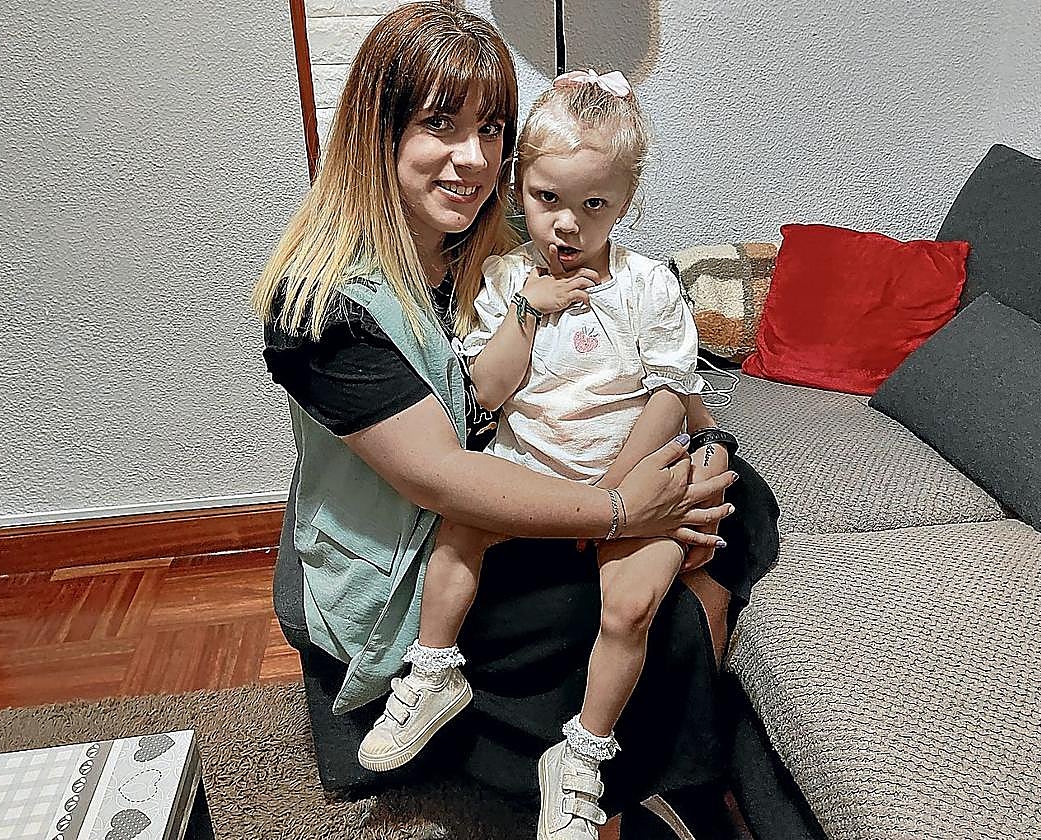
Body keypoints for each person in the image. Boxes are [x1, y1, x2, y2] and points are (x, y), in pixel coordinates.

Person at [257, 4, 778, 837]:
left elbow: (656, 371)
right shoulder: (318, 308)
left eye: (490, 128)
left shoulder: (491, 227)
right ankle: (617, 784)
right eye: (438, 124)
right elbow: (445, 477)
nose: (472, 158)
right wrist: (621, 509)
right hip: (422, 543)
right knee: (646, 605)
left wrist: (702, 445)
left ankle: (642, 750)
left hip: (521, 478)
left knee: (735, 494)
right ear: (376, 131)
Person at [355, 69, 737, 839]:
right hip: (527, 471)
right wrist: (529, 310)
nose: (566, 224)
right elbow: (486, 394)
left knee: (630, 606)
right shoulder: (501, 281)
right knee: (459, 529)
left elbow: (669, 400)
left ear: (624, 204)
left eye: (593, 205)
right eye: (546, 199)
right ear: (517, 186)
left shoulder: (648, 287)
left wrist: (612, 494)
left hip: (632, 476)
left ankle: (582, 757)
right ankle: (432, 673)